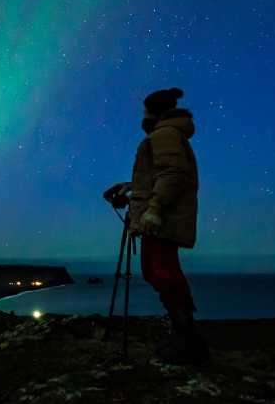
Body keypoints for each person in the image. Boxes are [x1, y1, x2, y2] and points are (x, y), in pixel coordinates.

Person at [105, 87, 208, 364]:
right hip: (164, 218)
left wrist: (153, 210)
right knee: (159, 271)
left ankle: (188, 340)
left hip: (162, 220)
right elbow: (162, 174)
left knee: (161, 271)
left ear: (154, 111)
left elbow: (173, 174)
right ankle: (185, 335)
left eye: (145, 110)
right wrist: (131, 187)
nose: (143, 114)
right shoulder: (168, 133)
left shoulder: (164, 134)